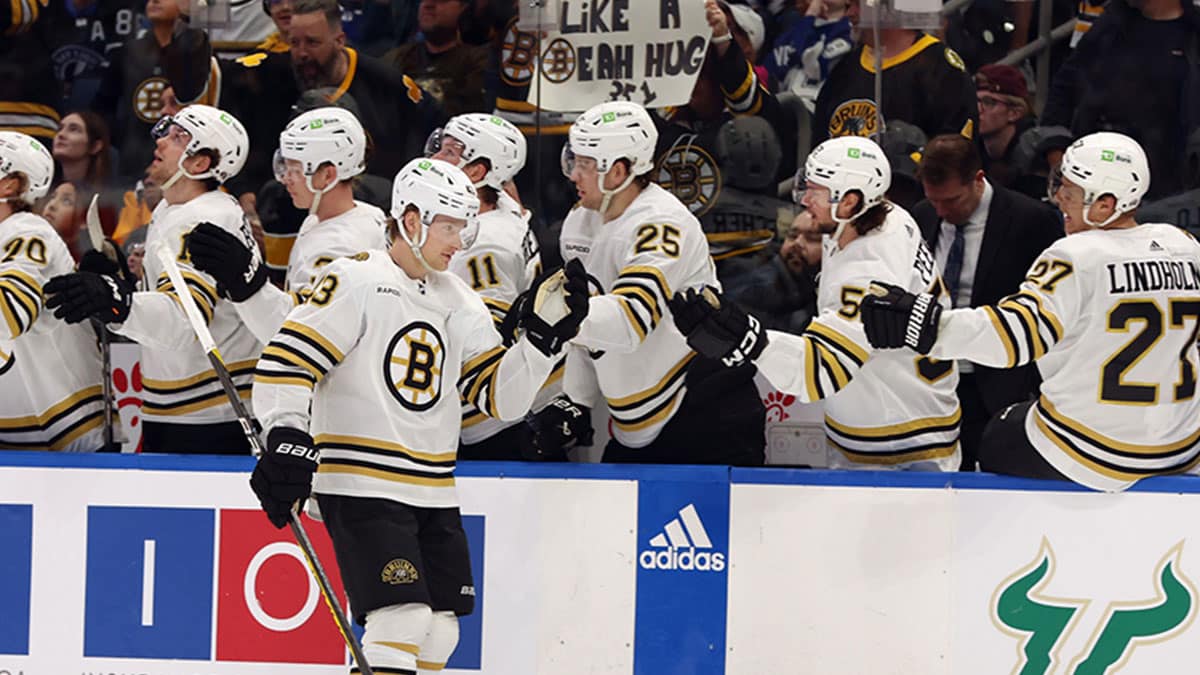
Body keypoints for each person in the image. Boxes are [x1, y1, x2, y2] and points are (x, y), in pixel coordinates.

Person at [249, 157, 589, 674]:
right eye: (450, 226)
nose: (460, 241)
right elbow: (287, 361)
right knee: (401, 618)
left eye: (465, 226)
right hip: (361, 482)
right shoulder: (355, 278)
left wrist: (541, 341)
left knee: (440, 631)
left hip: (431, 486)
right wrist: (287, 433)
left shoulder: (461, 302)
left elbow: (501, 400)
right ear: (411, 221)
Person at [861, 132, 1200, 491]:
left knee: (996, 436)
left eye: (1070, 191)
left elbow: (1013, 337)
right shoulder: (1186, 246)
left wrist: (926, 325)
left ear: (1105, 204)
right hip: (1181, 448)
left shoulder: (1076, 256)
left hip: (1093, 452)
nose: (1058, 198)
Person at [671, 135, 962, 470]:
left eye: (816, 191)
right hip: (891, 415)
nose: (804, 199)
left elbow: (823, 371)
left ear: (850, 201)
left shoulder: (869, 271)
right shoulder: (877, 216)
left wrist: (751, 341)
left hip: (901, 446)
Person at [547, 101, 767, 465]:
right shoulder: (580, 222)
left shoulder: (662, 225)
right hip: (637, 427)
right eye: (573, 160)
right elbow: (586, 331)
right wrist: (575, 401)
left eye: (584, 164)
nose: (573, 175)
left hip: (707, 415)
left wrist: (549, 314)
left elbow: (629, 322)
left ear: (618, 172)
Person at [44, 104, 264, 455]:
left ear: (199, 163)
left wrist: (117, 299)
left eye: (178, 137)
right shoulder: (174, 209)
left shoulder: (202, 219)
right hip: (184, 405)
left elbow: (183, 323)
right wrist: (119, 279)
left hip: (209, 416)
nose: (161, 141)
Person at [912, 134, 1063, 469]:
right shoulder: (920, 217)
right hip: (933, 380)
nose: (941, 210)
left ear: (978, 180)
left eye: (951, 200)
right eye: (934, 200)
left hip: (1000, 383)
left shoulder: (1031, 220)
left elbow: (1051, 306)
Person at [184, 106, 389, 344]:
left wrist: (247, 283)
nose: (285, 179)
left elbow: (300, 336)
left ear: (328, 175)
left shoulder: (338, 248)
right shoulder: (361, 214)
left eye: (295, 169)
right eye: (284, 166)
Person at [426, 114, 550, 459]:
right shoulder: (505, 205)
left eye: (450, 152)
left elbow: (488, 340)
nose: (435, 159)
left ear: (477, 172)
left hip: (489, 419)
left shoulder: (482, 243)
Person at [0, 131, 106, 451]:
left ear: (10, 185)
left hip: (63, 435)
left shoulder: (27, 231)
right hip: (25, 434)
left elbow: (10, 314)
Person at [1041, 0, 1200, 200]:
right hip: (1094, 177)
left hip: (1169, 188)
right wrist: (1057, 154)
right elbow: (1064, 89)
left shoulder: (1194, 34)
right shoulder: (1110, 24)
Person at [812, 26, 977, 145]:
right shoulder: (846, 67)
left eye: (857, 5)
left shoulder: (942, 69)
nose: (850, 13)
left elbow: (954, 156)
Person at [385, 0, 488, 117]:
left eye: (441, 1)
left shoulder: (477, 61)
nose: (428, 5)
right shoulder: (397, 57)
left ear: (463, 8)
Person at [974, 64, 1036, 190]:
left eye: (988, 102)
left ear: (1014, 113)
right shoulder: (969, 146)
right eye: (975, 100)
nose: (977, 109)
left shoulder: (1032, 153)